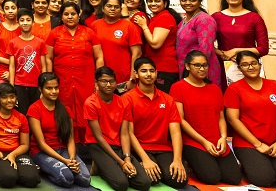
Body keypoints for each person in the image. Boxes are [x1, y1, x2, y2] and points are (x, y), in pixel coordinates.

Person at [224, 50, 276, 188]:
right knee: (265, 180)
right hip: (248, 143)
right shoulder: (234, 89)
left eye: (253, 63)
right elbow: (233, 120)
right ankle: (249, 167)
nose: (250, 67)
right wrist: (257, 144)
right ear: (239, 68)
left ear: (259, 65)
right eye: (245, 65)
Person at [170, 51, 242, 185]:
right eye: (197, 65)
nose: (202, 69)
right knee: (211, 178)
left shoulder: (214, 88)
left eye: (205, 65)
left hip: (217, 139)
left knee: (234, 178)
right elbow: (181, 120)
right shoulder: (178, 87)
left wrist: (223, 138)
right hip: (194, 140)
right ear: (187, 66)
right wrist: (203, 142)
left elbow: (221, 118)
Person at [125, 57, 188, 189]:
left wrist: (178, 160)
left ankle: (163, 169)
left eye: (152, 71)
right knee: (150, 180)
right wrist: (145, 160)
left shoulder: (168, 99)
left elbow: (176, 133)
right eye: (144, 71)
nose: (148, 74)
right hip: (140, 149)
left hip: (163, 148)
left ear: (156, 73)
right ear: (136, 74)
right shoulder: (127, 98)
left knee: (178, 180)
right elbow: (128, 133)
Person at [46, 2, 103, 145]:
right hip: (62, 80)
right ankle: (67, 144)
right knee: (64, 110)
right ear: (61, 16)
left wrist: (98, 81)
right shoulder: (54, 33)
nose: (70, 17)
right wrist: (47, 80)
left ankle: (89, 145)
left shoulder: (89, 32)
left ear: (79, 15)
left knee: (87, 109)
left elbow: (99, 57)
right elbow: (48, 58)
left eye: (73, 14)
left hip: (86, 80)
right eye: (66, 14)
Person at [84, 66, 147, 191]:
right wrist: (121, 162)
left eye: (111, 81)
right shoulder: (90, 103)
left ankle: (108, 167)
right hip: (98, 145)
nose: (108, 84)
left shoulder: (123, 102)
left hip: (117, 145)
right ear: (96, 83)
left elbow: (124, 134)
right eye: (104, 81)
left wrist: (127, 158)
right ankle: (101, 167)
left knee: (144, 183)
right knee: (121, 184)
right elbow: (99, 138)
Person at [27, 72, 92, 188]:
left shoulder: (65, 109)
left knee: (85, 179)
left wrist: (71, 159)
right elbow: (41, 144)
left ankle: (57, 168)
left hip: (63, 149)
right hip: (42, 152)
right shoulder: (34, 109)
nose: (53, 91)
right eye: (49, 88)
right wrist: (65, 161)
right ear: (40, 89)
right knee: (67, 179)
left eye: (56, 88)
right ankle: (45, 171)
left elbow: (70, 139)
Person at [0, 83, 41, 188]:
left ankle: (18, 171)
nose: (9, 100)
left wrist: (13, 155)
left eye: (12, 97)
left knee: (32, 180)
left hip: (18, 153)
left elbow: (25, 145)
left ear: (16, 98)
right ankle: (6, 171)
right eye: (4, 97)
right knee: (8, 179)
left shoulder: (21, 118)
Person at [213, 0, 269, 87]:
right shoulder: (216, 17)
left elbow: (264, 49)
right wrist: (223, 54)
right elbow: (207, 44)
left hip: (249, 65)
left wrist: (236, 51)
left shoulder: (254, 18)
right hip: (224, 65)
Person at [133, 0, 181, 93]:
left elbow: (155, 43)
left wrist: (143, 25)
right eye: (150, 1)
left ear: (165, 3)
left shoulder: (165, 17)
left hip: (165, 68)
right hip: (155, 67)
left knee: (162, 101)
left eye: (157, 1)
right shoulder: (156, 18)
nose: (153, 4)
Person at [92, 0, 142, 90]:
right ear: (103, 8)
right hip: (101, 78)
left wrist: (132, 79)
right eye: (109, 6)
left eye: (116, 7)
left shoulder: (129, 26)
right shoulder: (95, 25)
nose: (112, 9)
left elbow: (137, 54)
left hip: (123, 79)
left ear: (120, 9)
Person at [176, 0, 221, 88]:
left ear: (200, 1)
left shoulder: (204, 20)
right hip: (187, 69)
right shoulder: (184, 20)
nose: (187, 3)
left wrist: (197, 69)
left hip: (201, 71)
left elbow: (206, 49)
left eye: (192, 0)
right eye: (184, 0)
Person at [7, 8, 50, 114]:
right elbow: (12, 66)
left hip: (36, 85)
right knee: (21, 113)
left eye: (28, 20)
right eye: (22, 20)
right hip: (19, 84)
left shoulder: (40, 42)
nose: (25, 23)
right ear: (18, 22)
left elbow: (43, 66)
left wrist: (43, 85)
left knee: (36, 113)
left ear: (33, 22)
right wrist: (12, 87)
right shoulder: (13, 42)